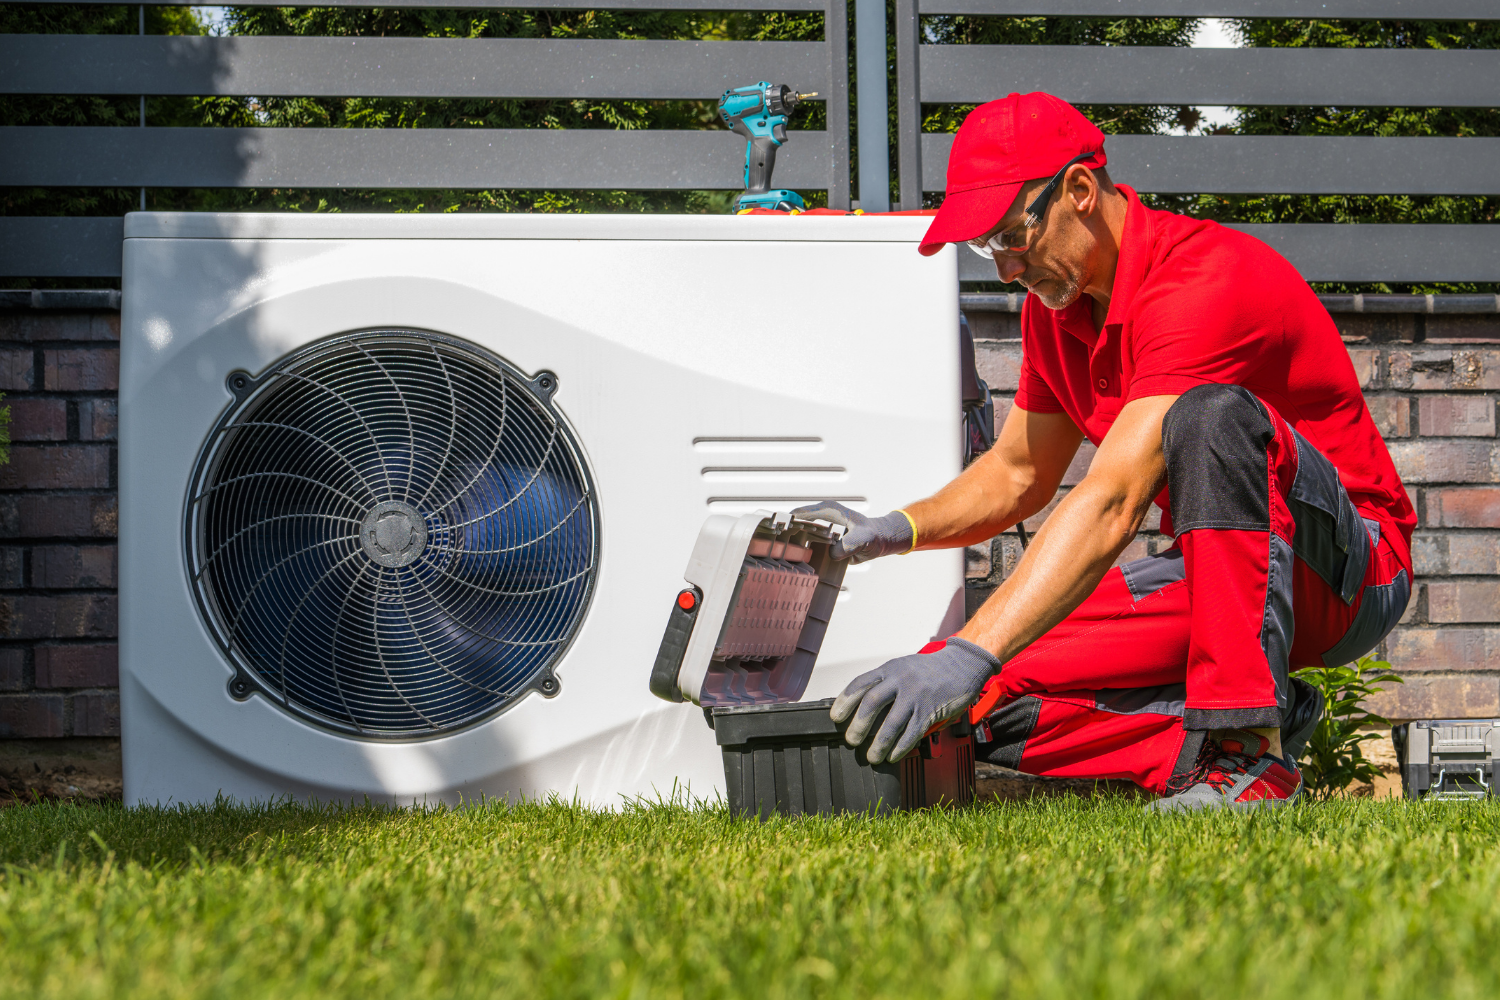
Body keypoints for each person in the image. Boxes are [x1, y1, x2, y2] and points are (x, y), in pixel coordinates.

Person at [795, 92, 1413, 811]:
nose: (1003, 270)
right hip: (1220, 577)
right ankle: (1234, 735)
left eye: (1010, 238)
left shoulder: (1203, 279)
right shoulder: (1054, 313)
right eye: (984, 249)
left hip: (1348, 571)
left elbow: (1114, 497)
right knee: (975, 699)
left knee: (1210, 416)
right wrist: (890, 531)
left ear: (1080, 191)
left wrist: (973, 646)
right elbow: (1017, 473)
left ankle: (1248, 752)